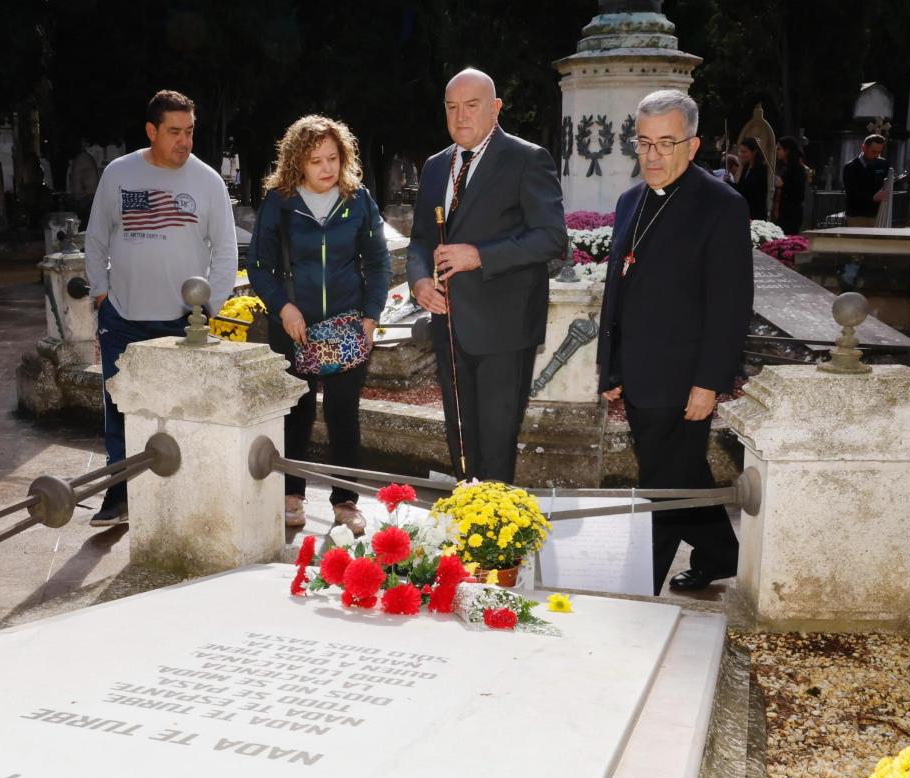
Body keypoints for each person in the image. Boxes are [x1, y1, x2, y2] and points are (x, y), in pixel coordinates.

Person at [595, 90, 749, 596]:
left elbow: (729, 304)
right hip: (638, 372)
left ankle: (640, 584)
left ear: (693, 144)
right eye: (644, 143)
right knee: (681, 473)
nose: (653, 156)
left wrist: (710, 382)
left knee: (661, 483)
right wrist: (611, 369)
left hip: (684, 378)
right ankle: (721, 553)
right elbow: (619, 290)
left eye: (666, 143)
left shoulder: (721, 206)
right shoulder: (628, 202)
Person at [83, 89, 236, 527]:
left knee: (181, 411)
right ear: (152, 131)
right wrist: (101, 293)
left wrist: (210, 309)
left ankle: (181, 497)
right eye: (174, 132)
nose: (184, 142)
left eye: (189, 131)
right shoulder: (118, 174)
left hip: (181, 323)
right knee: (119, 408)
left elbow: (226, 251)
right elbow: (96, 239)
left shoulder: (207, 181)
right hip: (123, 317)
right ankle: (119, 495)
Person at [407, 68, 566, 483]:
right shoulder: (435, 165)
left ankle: (496, 540)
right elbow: (421, 238)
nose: (460, 117)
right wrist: (420, 280)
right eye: (452, 107)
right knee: (460, 442)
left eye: (472, 106)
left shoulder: (528, 159)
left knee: (496, 446)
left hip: (505, 329)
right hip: (448, 325)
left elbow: (551, 239)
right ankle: (467, 526)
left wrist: (480, 256)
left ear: (495, 108)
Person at [246, 115, 391, 535]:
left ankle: (346, 501)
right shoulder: (280, 201)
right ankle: (292, 494)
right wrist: (284, 308)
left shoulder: (359, 198)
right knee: (297, 411)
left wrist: (370, 316)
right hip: (294, 327)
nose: (327, 168)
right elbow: (258, 265)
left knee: (345, 414)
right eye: (316, 160)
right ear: (298, 163)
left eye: (333, 157)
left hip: (348, 328)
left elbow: (378, 263)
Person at [843, 134, 891, 226]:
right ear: (864, 148)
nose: (876, 155)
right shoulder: (850, 167)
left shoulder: (883, 164)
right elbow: (851, 194)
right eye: (873, 152)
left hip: (877, 215)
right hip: (857, 216)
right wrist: (873, 197)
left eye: (879, 152)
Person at [773, 136, 808, 236]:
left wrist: (784, 185)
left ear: (787, 150)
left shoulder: (798, 169)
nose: (777, 151)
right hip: (782, 214)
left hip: (791, 215)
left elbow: (799, 195)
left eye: (779, 149)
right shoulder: (786, 169)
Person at [732, 137, 769, 221]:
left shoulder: (761, 168)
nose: (741, 154)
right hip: (746, 211)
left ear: (754, 152)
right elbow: (741, 186)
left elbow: (749, 190)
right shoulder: (746, 167)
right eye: (740, 151)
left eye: (744, 152)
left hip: (756, 213)